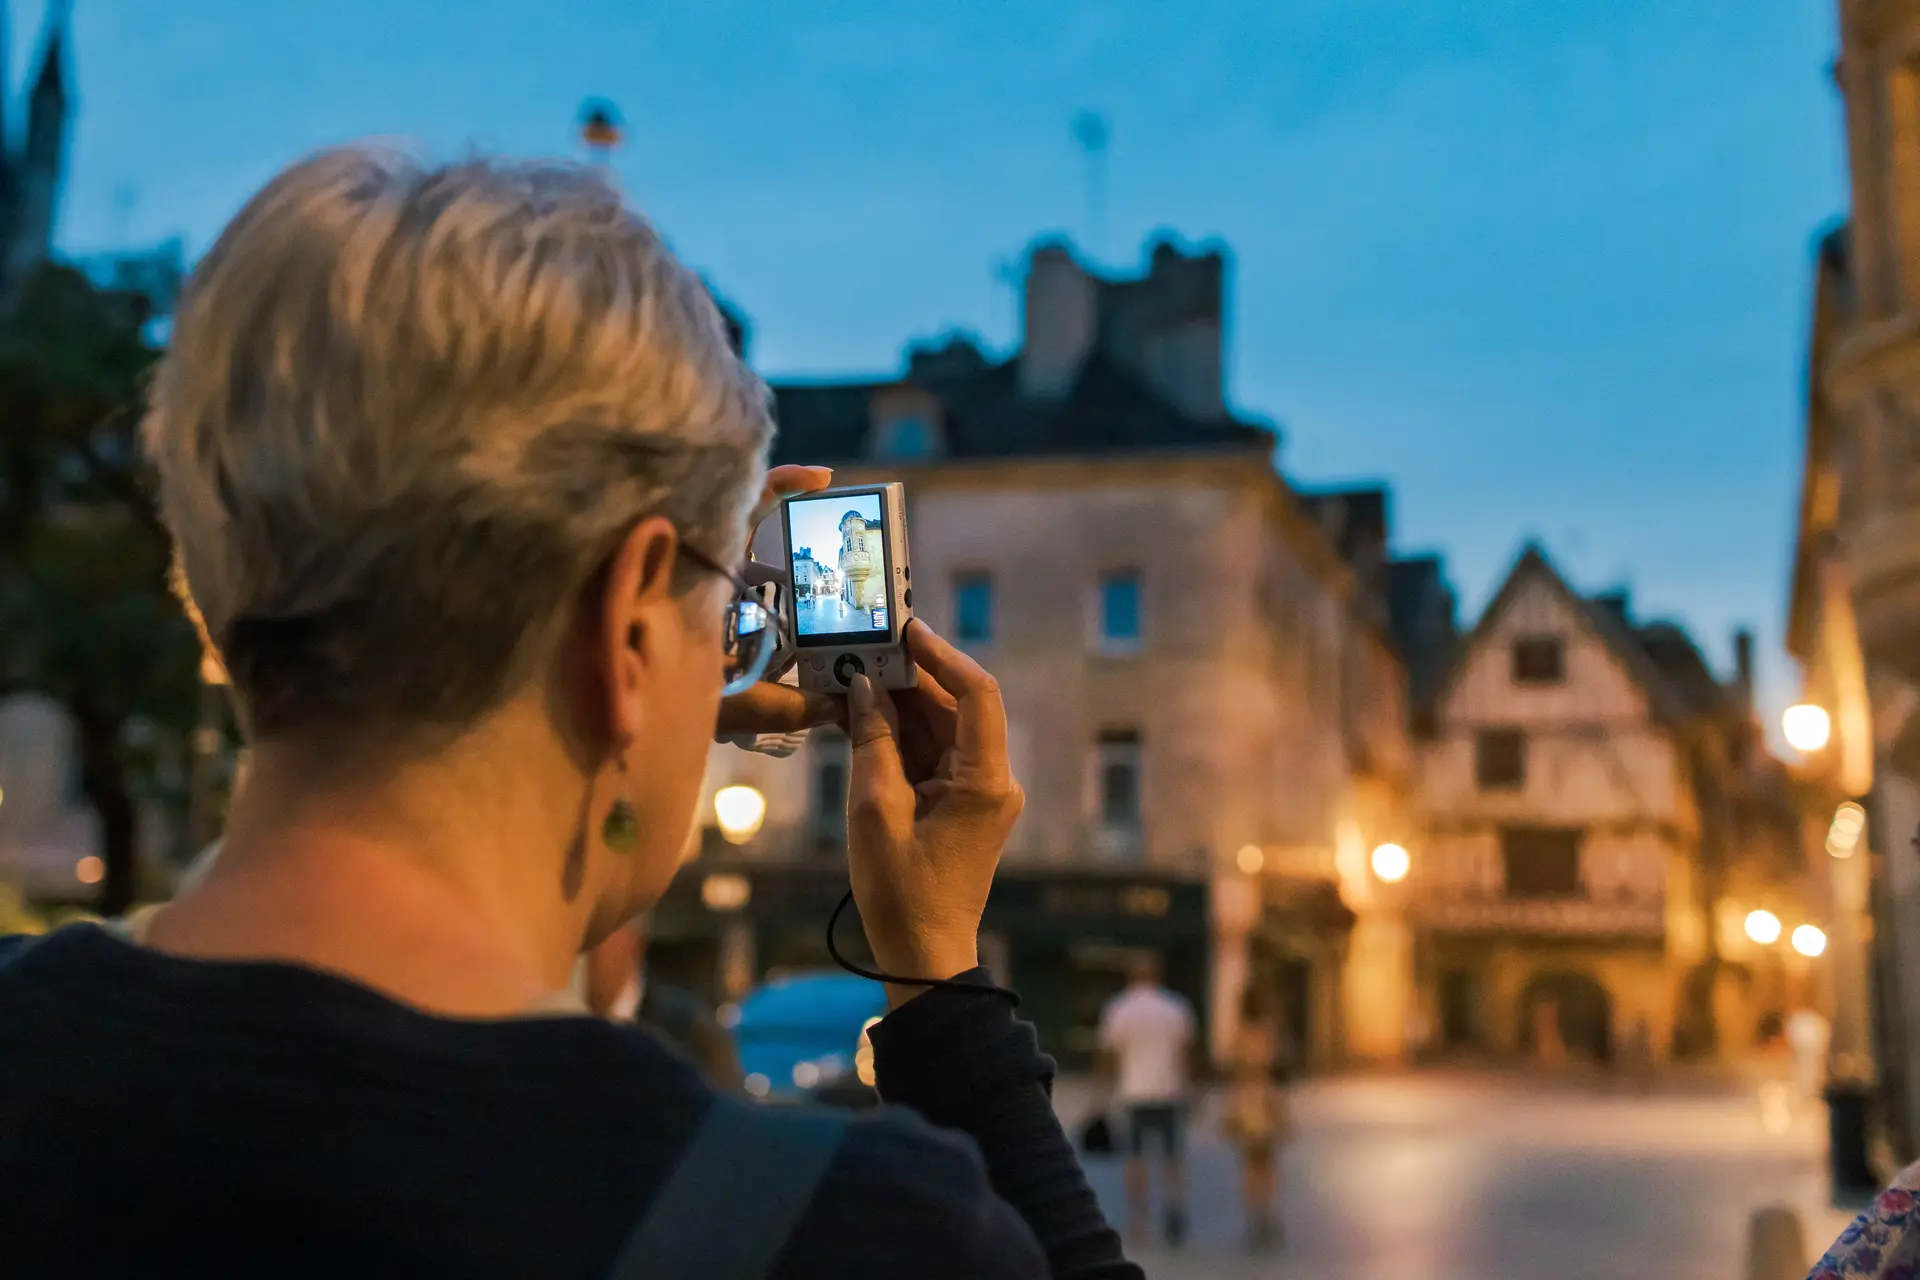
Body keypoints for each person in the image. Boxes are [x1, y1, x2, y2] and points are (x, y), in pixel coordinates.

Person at [0, 147, 1139, 1279]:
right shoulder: (846, 1234)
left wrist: (646, 678)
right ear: (630, 620)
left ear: (211, 602)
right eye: (721, 607)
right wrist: (940, 980)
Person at [1097, 952, 1197, 1248]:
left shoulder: (1119, 1008)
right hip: (1169, 1091)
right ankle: (1174, 1209)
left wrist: (1100, 1095)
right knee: (1172, 1157)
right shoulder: (1176, 1007)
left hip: (1135, 1092)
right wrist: (1191, 1089)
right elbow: (1186, 1053)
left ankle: (1139, 1218)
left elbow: (1108, 1056)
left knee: (1136, 1158)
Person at [583, 915, 744, 1091]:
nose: (585, 949)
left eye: (598, 933)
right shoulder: (564, 1028)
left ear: (633, 940)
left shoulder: (693, 1034)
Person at [1222, 984, 1289, 1252]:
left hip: (1244, 1101)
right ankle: (1267, 1216)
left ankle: (1253, 1217)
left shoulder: (1238, 1037)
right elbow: (1280, 1069)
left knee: (1249, 1165)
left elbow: (1233, 1073)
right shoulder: (1270, 1034)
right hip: (1267, 1100)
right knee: (1268, 1164)